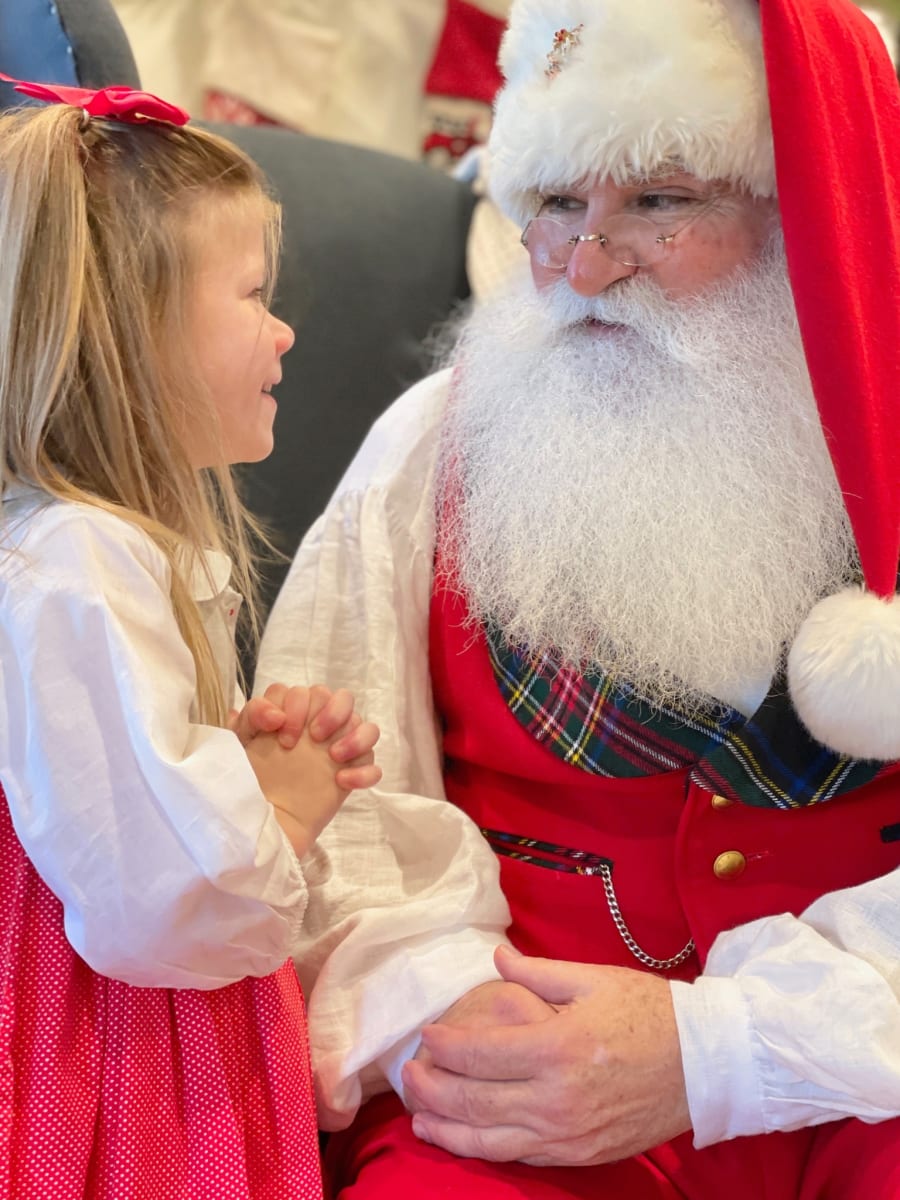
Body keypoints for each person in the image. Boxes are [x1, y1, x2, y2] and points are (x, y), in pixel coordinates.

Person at [256, 0, 900, 1196]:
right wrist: (452, 1010)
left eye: (659, 200)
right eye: (557, 201)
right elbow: (331, 807)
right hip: (516, 1070)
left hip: (858, 1075)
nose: (586, 266)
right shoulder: (436, 444)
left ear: (811, 213)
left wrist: (718, 1053)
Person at [0, 77, 381, 1199]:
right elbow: (153, 907)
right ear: (136, 334)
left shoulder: (78, 549)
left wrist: (225, 772)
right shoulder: (82, 563)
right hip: (116, 1043)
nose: (285, 329)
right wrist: (284, 812)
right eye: (255, 295)